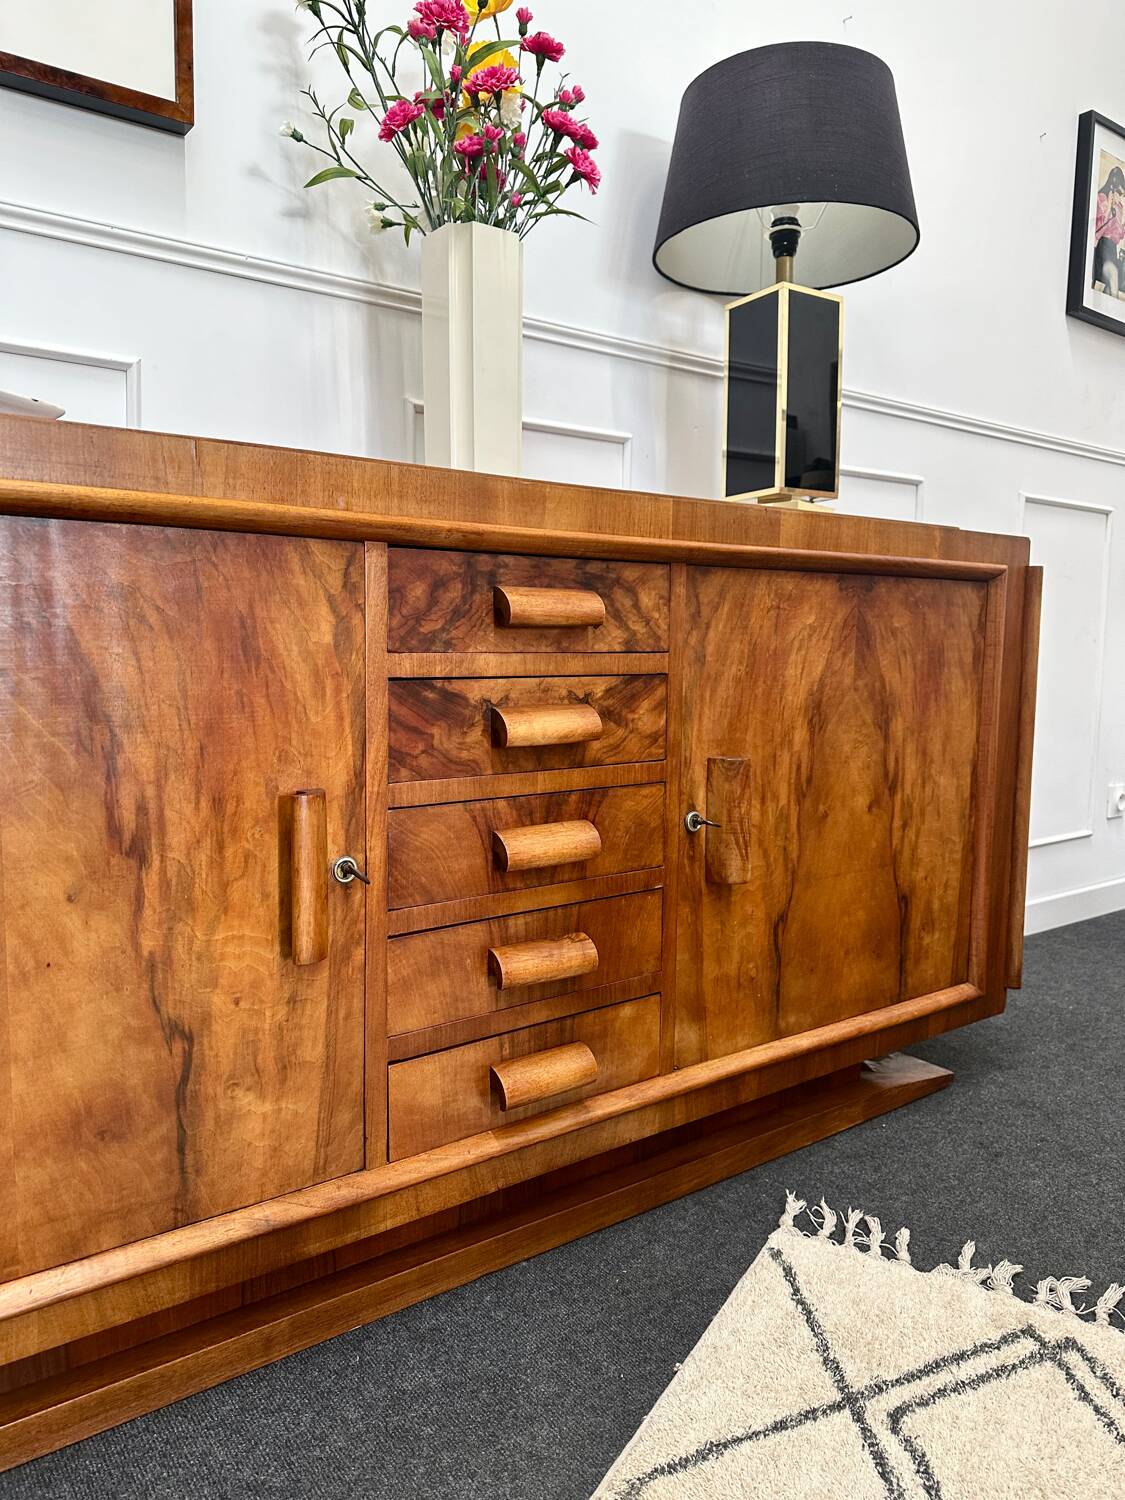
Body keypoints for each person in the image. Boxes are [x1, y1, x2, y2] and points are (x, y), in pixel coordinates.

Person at [1093, 164, 1125, 297]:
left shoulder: (1119, 206)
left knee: (1114, 283)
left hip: (1113, 250)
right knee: (1113, 275)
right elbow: (1099, 227)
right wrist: (1108, 208)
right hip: (1102, 247)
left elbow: (1118, 236)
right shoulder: (1102, 198)